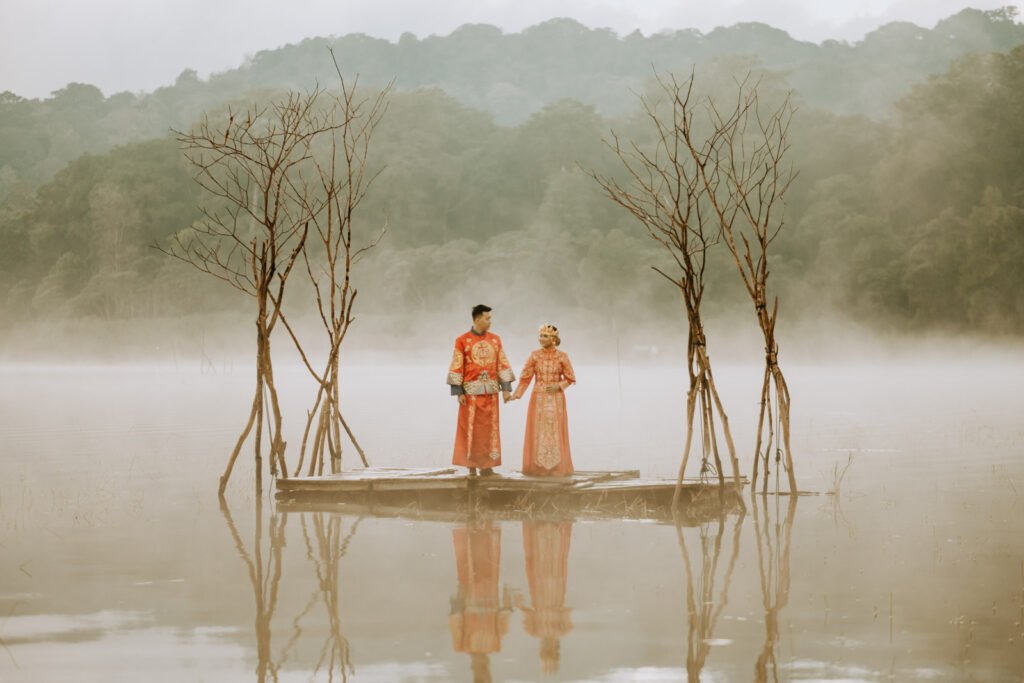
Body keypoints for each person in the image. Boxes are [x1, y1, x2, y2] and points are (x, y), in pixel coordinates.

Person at [447, 304, 515, 476]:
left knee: (489, 430)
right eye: (487, 318)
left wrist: (506, 389)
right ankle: (471, 466)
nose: (490, 321)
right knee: (470, 430)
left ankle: (487, 467)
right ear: (477, 319)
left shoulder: (495, 340)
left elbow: (502, 363)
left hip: (491, 394)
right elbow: (457, 365)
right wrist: (458, 391)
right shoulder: (462, 340)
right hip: (470, 394)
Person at [510, 324, 575, 476]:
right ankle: (537, 468)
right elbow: (525, 378)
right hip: (538, 398)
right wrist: (516, 394)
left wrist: (559, 386)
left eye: (545, 336)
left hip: (556, 398)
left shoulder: (563, 356)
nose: (541, 339)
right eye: (540, 336)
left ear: (554, 339)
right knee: (537, 430)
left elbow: (570, 378)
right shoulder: (534, 355)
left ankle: (557, 468)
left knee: (555, 430)